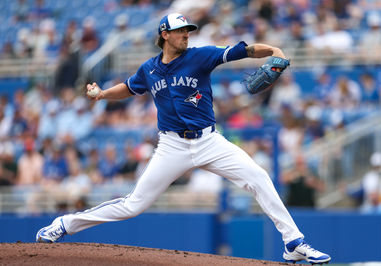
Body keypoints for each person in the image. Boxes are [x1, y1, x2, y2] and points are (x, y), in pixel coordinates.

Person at [36, 13, 331, 264]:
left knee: (258, 176)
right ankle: (64, 224)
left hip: (209, 141)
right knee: (133, 205)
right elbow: (129, 87)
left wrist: (275, 50)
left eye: (188, 30)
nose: (186, 35)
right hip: (172, 146)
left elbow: (245, 50)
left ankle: (293, 244)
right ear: (164, 34)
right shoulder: (149, 68)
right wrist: (102, 94)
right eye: (180, 31)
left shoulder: (200, 55)